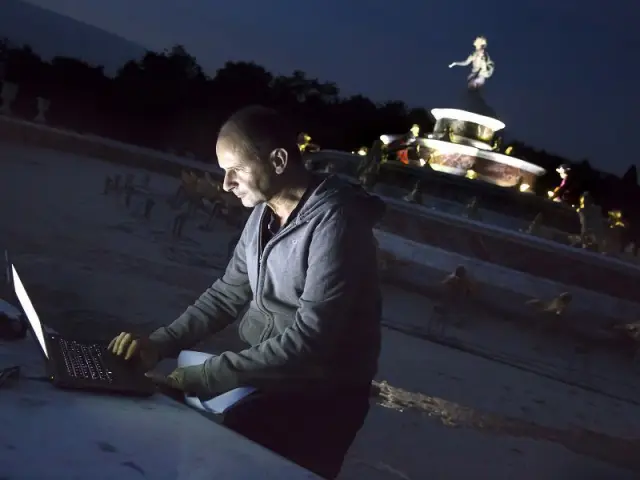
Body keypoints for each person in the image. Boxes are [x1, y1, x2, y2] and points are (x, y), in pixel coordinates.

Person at [108, 105, 385, 479]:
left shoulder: (337, 222)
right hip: (271, 375)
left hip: (323, 395)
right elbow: (226, 295)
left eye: (234, 170)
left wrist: (196, 377)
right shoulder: (263, 213)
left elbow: (310, 341)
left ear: (279, 160)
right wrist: (158, 345)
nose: (225, 184)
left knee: (223, 444)